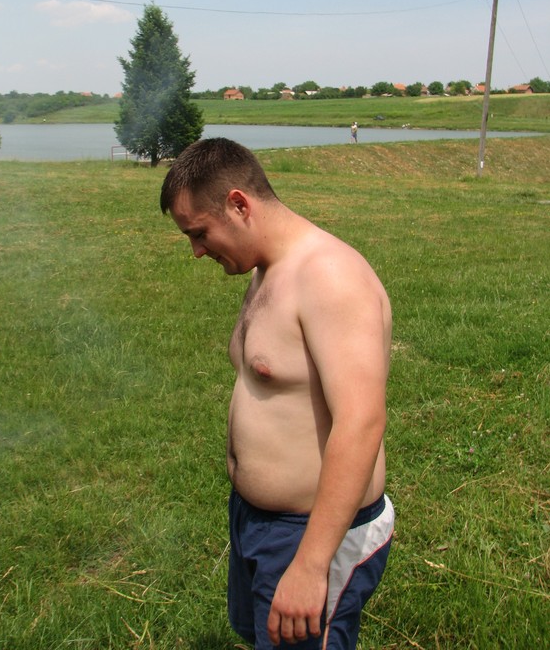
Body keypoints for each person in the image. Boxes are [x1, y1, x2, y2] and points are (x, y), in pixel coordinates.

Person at [160, 138, 394, 649]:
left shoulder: (329, 277)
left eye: (199, 233)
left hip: (313, 533)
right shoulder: (268, 267)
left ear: (239, 205)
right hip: (259, 522)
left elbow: (361, 423)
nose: (196, 251)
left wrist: (311, 564)